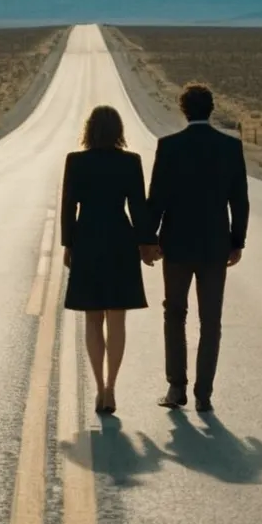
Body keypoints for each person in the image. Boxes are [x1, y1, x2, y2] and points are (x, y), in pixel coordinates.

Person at [143, 83, 249, 413]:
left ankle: (177, 387)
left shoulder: (169, 146)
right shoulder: (230, 147)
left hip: (175, 244)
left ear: (184, 110)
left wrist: (149, 239)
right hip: (215, 246)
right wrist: (237, 241)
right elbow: (240, 201)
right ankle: (204, 393)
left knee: (174, 313)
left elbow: (156, 198)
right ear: (212, 109)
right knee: (211, 320)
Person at [61, 105, 158, 415]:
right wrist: (147, 243)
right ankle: (111, 388)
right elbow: (138, 208)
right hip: (120, 240)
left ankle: (99, 385)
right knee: (117, 319)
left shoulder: (76, 162)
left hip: (87, 239)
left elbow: (68, 207)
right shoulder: (130, 162)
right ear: (119, 132)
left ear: (89, 130)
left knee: (92, 318)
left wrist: (68, 244)